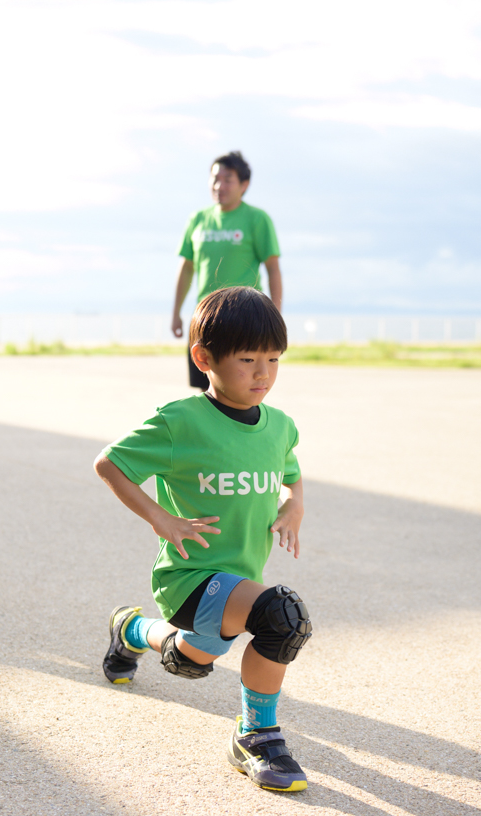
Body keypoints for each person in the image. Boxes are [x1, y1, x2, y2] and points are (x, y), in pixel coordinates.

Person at [94, 286, 310, 793]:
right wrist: (159, 518)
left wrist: (295, 504)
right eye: (248, 359)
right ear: (204, 358)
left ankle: (129, 629)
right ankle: (255, 737)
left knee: (187, 660)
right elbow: (110, 464)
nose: (263, 373)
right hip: (189, 577)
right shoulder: (181, 421)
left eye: (274, 359)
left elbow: (291, 473)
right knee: (283, 618)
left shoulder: (279, 426)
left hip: (238, 578)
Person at [171, 151, 282, 390]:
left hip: (246, 316)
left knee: (244, 388)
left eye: (228, 180)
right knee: (205, 390)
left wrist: (275, 316)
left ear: (244, 185)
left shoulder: (257, 219)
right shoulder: (198, 219)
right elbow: (187, 268)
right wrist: (176, 312)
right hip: (205, 316)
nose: (219, 186)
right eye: (215, 179)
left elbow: (273, 268)